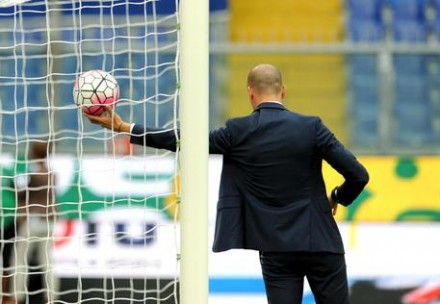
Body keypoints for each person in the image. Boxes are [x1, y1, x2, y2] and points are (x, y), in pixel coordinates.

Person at [86, 64, 369, 304]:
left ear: (250, 93)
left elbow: (183, 139)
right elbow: (358, 175)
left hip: (276, 248)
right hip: (320, 240)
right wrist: (336, 196)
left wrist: (125, 128)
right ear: (283, 90)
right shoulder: (312, 127)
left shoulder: (237, 131)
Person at [10, 141, 59, 304]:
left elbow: (23, 195)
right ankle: (51, 298)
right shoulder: (52, 174)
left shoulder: (34, 173)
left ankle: (17, 297)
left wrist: (15, 187)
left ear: (34, 154)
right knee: (48, 262)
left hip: (33, 221)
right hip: (49, 221)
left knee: (20, 260)